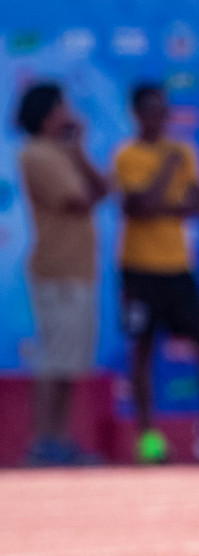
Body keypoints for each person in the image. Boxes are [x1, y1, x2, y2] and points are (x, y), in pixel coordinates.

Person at [114, 83, 199, 464]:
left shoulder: (185, 151)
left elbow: (197, 204)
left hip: (178, 266)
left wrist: (160, 203)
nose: (160, 118)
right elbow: (138, 207)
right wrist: (167, 173)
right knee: (141, 350)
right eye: (151, 110)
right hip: (138, 268)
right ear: (137, 114)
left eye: (164, 110)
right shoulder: (128, 155)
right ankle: (148, 438)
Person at [16, 83, 109, 466]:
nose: (69, 114)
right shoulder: (37, 154)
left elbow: (103, 189)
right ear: (47, 114)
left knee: (70, 363)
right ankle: (43, 443)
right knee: (55, 361)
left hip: (76, 270)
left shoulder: (62, 153)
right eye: (62, 108)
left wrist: (79, 150)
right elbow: (79, 199)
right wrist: (76, 153)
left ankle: (60, 441)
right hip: (57, 272)